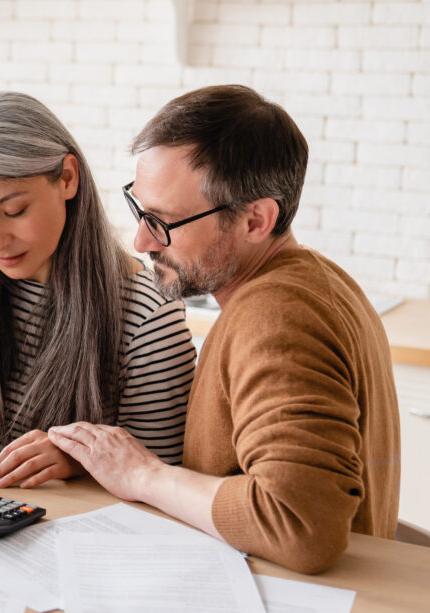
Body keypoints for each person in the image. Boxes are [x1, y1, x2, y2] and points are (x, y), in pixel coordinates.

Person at [47, 85, 400, 574]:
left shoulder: (275, 317)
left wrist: (144, 475)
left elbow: (301, 526)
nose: (141, 239)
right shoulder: (322, 281)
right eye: (139, 209)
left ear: (256, 220)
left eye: (163, 220)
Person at [0, 91, 197, 488]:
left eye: (14, 211)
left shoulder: (147, 311)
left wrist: (80, 459)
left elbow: (164, 472)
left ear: (68, 178)